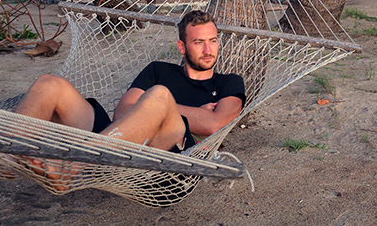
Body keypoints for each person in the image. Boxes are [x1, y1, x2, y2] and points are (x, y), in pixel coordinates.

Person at [13, 10, 245, 186]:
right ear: (182, 47)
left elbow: (216, 124)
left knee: (159, 95)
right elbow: (122, 112)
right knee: (49, 83)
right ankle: (6, 153)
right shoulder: (158, 70)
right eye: (199, 42)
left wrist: (163, 109)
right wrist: (194, 113)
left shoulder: (229, 82)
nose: (208, 50)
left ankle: (75, 163)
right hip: (116, 143)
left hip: (167, 161)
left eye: (213, 41)